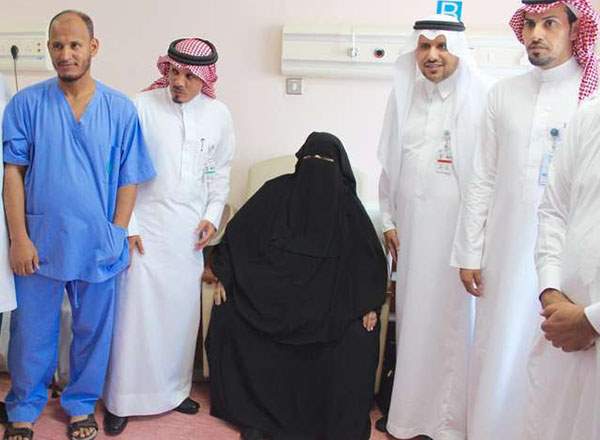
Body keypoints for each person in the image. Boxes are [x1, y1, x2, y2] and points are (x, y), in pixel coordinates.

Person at [2, 10, 155, 440]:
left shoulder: (119, 109)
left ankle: (81, 404)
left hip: (98, 242)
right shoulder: (26, 105)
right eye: (57, 45)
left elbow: (129, 177)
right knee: (31, 332)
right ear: (48, 49)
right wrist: (19, 238)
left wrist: (117, 232)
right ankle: (24, 405)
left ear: (93, 47)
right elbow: (12, 173)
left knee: (92, 331)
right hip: (40, 240)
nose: (65, 54)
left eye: (74, 45)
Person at [451, 1, 599, 438]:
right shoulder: (503, 94)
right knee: (497, 352)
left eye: (550, 23)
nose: (536, 33)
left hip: (569, 266)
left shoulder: (590, 100)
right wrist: (469, 250)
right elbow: (482, 177)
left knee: (555, 366)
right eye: (530, 23)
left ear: (576, 30)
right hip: (505, 249)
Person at [207, 132, 387, 440]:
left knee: (357, 338)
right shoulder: (275, 192)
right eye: (311, 159)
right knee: (230, 317)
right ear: (300, 162)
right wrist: (223, 272)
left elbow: (368, 260)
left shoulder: (348, 208)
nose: (317, 167)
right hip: (269, 299)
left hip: (330, 307)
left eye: (325, 161)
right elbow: (239, 235)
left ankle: (324, 421)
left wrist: (369, 303)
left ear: (338, 168)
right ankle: (256, 415)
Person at [102, 37, 235, 436]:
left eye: (189, 76)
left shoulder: (218, 115)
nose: (178, 81)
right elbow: (118, 170)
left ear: (205, 78)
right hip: (143, 229)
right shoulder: (141, 106)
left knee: (179, 320)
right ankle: (122, 399)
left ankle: (173, 392)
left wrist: (212, 216)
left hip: (187, 235)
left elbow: (220, 171)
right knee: (134, 319)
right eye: (174, 72)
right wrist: (129, 226)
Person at [377, 14, 488, 439]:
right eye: (424, 46)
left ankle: (447, 423)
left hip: (457, 238)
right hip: (412, 233)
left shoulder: (479, 98)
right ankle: (409, 416)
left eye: (442, 46)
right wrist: (388, 218)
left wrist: (474, 242)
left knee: (453, 327)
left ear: (458, 50)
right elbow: (390, 163)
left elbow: (485, 179)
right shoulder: (405, 96)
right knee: (413, 322)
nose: (432, 55)